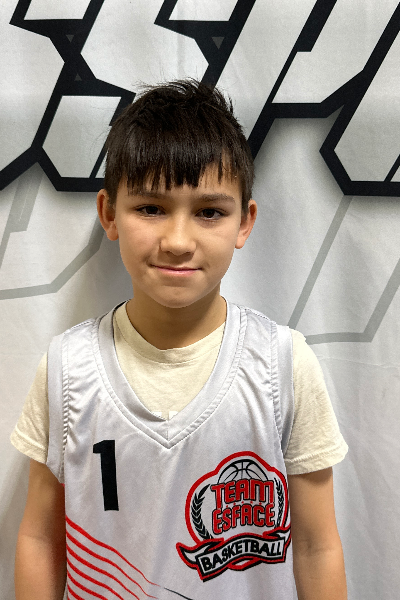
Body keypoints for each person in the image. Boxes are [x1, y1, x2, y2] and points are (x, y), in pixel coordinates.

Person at [11, 79, 348, 600]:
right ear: (109, 214)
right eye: (151, 208)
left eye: (209, 212)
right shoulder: (67, 368)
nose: (177, 241)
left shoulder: (283, 365)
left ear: (244, 222)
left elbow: (315, 545)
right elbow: (39, 539)